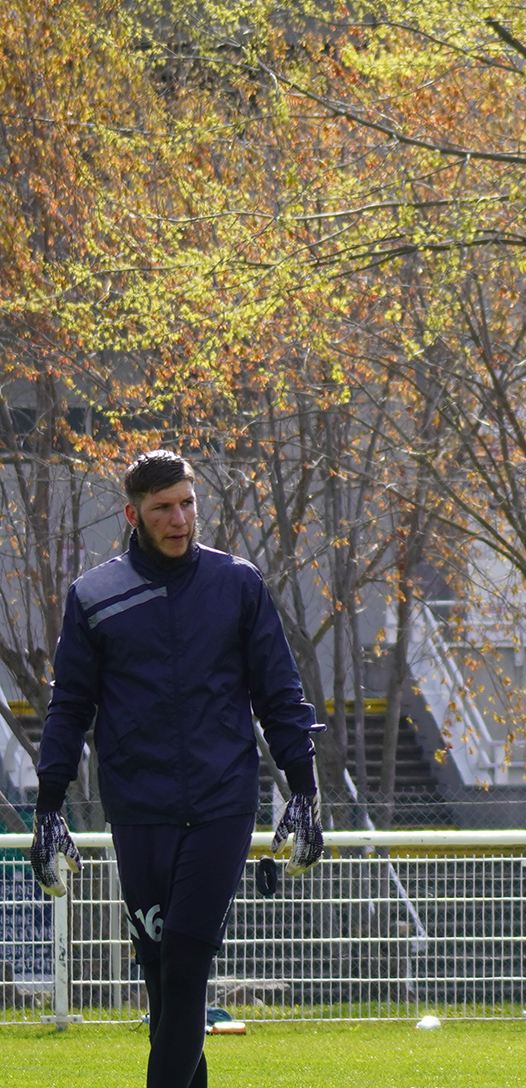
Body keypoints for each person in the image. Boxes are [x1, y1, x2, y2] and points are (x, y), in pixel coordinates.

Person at [30, 450, 324, 1088]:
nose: (179, 518)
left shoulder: (237, 584)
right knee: (162, 978)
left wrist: (304, 789)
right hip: (138, 810)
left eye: (187, 503)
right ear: (134, 514)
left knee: (188, 964)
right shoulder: (95, 595)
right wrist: (48, 805)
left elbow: (279, 693)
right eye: (163, 507)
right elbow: (69, 708)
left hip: (222, 803)